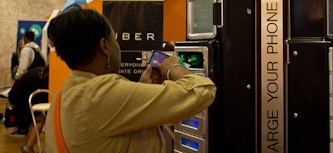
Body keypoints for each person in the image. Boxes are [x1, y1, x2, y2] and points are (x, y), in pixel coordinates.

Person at [45, 8, 216, 153]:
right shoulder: (104, 92)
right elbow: (202, 91)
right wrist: (173, 68)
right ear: (104, 46)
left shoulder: (62, 96)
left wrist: (141, 89)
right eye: (115, 39)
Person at [8, 65, 49, 152]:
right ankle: (28, 146)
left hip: (17, 96)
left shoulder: (38, 71)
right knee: (40, 120)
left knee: (35, 120)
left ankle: (27, 145)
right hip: (20, 98)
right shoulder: (39, 80)